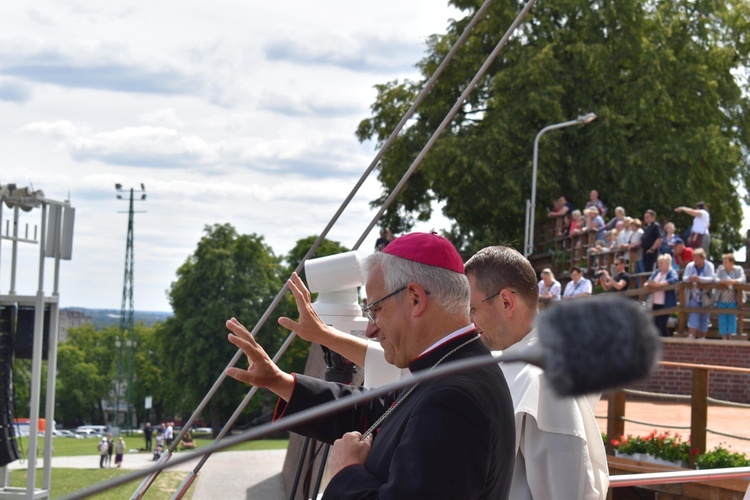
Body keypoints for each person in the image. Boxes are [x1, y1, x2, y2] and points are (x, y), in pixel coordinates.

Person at [277, 247, 609, 499]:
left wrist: (347, 474)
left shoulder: (545, 381)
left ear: (507, 302)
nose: (468, 321)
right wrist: (291, 371)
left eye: (472, 308)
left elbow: (569, 492)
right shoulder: (484, 361)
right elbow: (392, 397)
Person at [227, 232, 516, 499]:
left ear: (415, 299)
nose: (370, 330)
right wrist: (278, 380)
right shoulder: (449, 368)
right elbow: (372, 412)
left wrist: (345, 472)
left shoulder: (453, 397)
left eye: (375, 309)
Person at [682, 248, 715, 339]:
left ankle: (702, 337)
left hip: (706, 295)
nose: (695, 260)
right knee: (693, 314)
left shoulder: (709, 266)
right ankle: (692, 335)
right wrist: (690, 278)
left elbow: (711, 278)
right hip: (693, 295)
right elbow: (684, 278)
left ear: (703, 258)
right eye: (694, 258)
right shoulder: (690, 266)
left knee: (705, 317)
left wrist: (699, 279)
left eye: (697, 258)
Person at [645, 254, 679, 337]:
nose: (660, 265)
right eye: (659, 263)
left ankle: (665, 343)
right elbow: (649, 280)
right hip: (654, 302)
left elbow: (674, 279)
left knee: (661, 325)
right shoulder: (657, 272)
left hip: (665, 303)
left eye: (662, 263)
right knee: (654, 324)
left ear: (667, 263)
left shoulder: (671, 272)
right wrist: (647, 284)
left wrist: (661, 284)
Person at [714, 254, 746, 339]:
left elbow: (743, 278)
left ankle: (732, 339)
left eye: (726, 261)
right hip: (721, 299)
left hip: (734, 299)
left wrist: (733, 281)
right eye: (723, 261)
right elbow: (715, 279)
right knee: (722, 320)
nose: (724, 263)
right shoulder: (720, 269)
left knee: (732, 320)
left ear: (732, 262)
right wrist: (722, 281)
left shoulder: (738, 269)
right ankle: (724, 339)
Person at [640, 210, 663, 274]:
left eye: (647, 217)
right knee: (646, 270)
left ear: (653, 217)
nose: (645, 218)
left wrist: (652, 249)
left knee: (651, 270)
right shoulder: (647, 227)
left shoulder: (656, 226)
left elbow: (659, 238)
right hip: (645, 252)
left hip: (652, 253)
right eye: (645, 217)